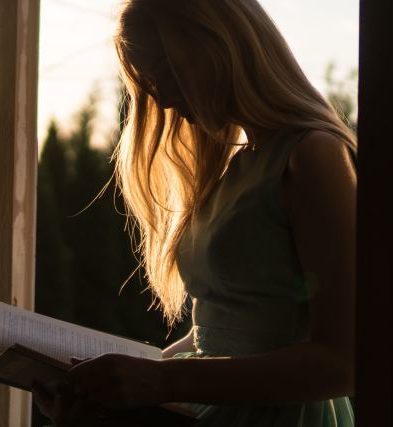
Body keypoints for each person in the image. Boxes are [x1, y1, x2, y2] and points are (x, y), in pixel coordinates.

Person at [30, 0, 358, 425]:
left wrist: (162, 382)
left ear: (219, 45)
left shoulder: (313, 156)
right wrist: (111, 388)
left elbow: (342, 363)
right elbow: (216, 333)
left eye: (165, 71)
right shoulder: (238, 169)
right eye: (149, 84)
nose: (163, 98)